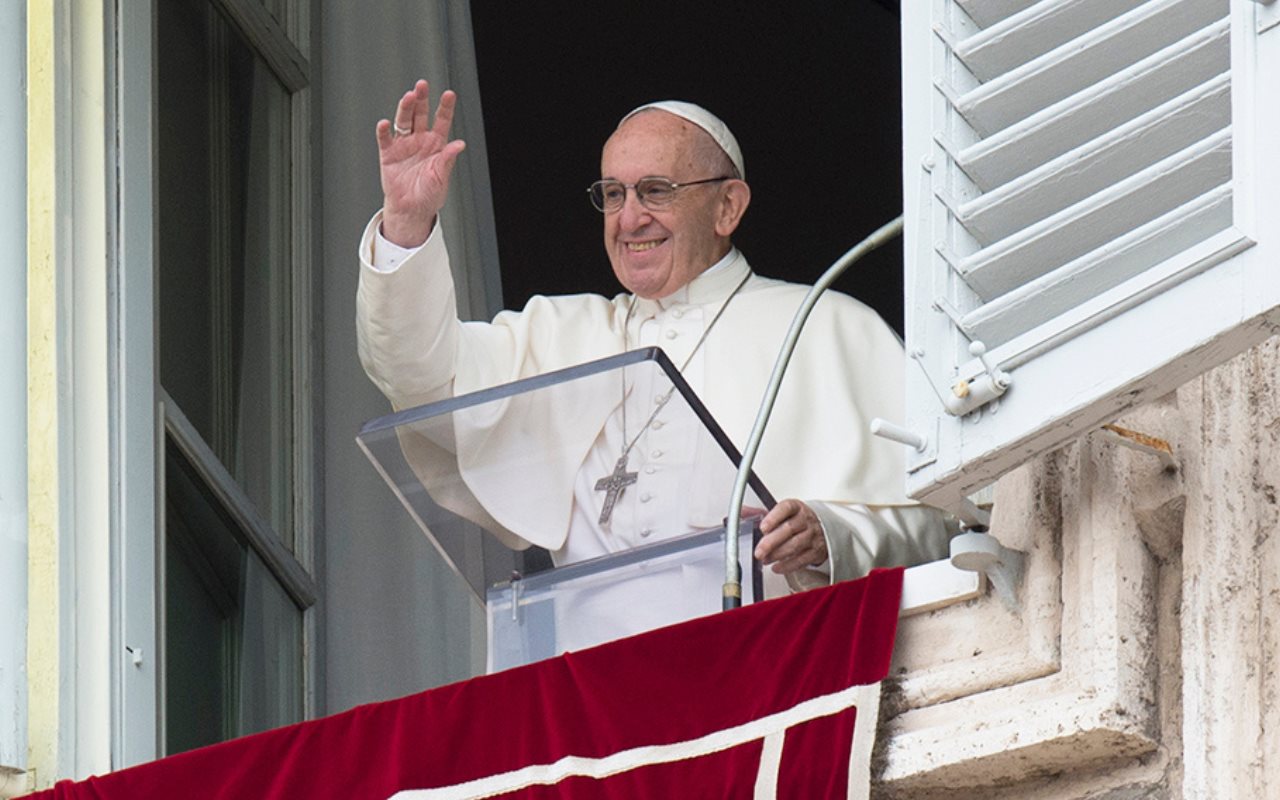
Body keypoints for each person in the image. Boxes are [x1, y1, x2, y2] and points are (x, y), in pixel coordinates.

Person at [357, 80, 951, 600]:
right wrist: (406, 224)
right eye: (613, 195)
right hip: (595, 685)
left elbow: (946, 521)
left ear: (727, 206)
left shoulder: (826, 326)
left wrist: (831, 536)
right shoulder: (560, 335)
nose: (630, 217)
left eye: (656, 190)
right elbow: (422, 378)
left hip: (770, 672)